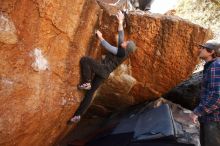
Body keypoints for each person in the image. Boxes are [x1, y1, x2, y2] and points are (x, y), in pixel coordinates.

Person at [68, 11, 137, 124]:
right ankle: (78, 115)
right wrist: (120, 21)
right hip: (104, 74)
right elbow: (121, 35)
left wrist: (100, 37)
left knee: (85, 60)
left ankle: (86, 82)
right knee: (90, 94)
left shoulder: (121, 52)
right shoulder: (123, 49)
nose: (125, 41)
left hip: (103, 69)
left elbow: (108, 47)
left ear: (127, 47)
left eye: (127, 42)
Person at [189, 40, 220, 146]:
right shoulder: (212, 66)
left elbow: (217, 95)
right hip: (210, 117)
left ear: (211, 52)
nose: (200, 49)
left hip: (214, 119)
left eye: (203, 48)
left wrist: (197, 111)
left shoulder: (216, 66)